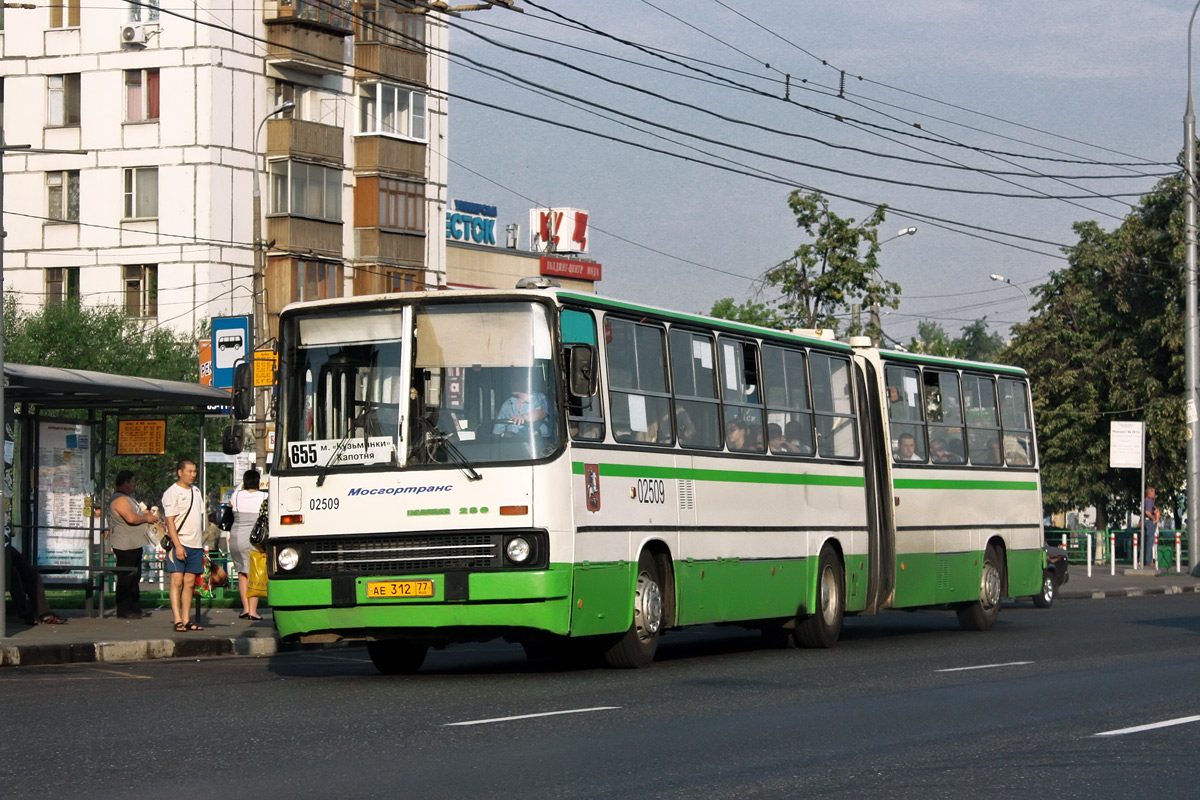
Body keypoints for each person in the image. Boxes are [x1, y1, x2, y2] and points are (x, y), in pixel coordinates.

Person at [162, 458, 205, 632]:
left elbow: (199, 516)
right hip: (179, 543)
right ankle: (177, 619)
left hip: (195, 544)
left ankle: (187, 619)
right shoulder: (171, 492)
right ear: (180, 472)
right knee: (177, 580)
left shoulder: (196, 491)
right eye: (189, 471)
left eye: (194, 471)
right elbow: (170, 521)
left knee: (189, 582)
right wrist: (177, 545)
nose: (193, 475)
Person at [108, 470, 159, 619]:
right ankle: (124, 609)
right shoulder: (120, 500)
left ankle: (135, 607)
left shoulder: (128, 498)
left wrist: (146, 515)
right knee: (126, 577)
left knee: (134, 577)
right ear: (125, 483)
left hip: (134, 544)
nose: (133, 486)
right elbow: (130, 518)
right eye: (132, 482)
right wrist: (146, 518)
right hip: (125, 545)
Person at [229, 469, 267, 621]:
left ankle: (245, 608)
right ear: (258, 482)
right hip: (254, 538)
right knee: (254, 572)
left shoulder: (236, 495)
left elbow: (231, 505)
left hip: (237, 537)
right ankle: (253, 610)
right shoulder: (264, 496)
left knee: (242, 572)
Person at [5, 536, 68, 625]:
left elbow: (13, 533)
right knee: (13, 575)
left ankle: (44, 614)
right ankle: (26, 614)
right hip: (4, 547)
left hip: (5, 545)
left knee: (31, 574)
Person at [1143, 487, 1160, 569]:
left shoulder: (1146, 500)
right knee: (1149, 541)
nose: (1155, 494)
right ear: (1150, 493)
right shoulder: (1149, 500)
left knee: (1145, 541)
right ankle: (1148, 561)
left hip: (1145, 522)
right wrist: (1154, 519)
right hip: (1149, 522)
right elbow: (1147, 512)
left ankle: (1145, 559)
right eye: (1154, 492)